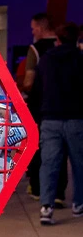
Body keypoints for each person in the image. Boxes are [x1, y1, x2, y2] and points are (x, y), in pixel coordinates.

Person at [33, 22, 83, 225]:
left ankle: (46, 206)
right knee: (79, 164)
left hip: (50, 118)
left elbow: (37, 89)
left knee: (49, 164)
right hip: (76, 119)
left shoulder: (45, 60)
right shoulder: (81, 59)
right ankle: (78, 204)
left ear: (58, 39)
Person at [23, 13, 68, 204]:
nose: (33, 32)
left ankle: (39, 188)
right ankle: (59, 193)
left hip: (41, 107)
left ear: (41, 28)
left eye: (33, 28)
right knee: (63, 151)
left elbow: (29, 81)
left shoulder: (35, 50)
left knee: (40, 149)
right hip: (66, 107)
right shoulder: (67, 49)